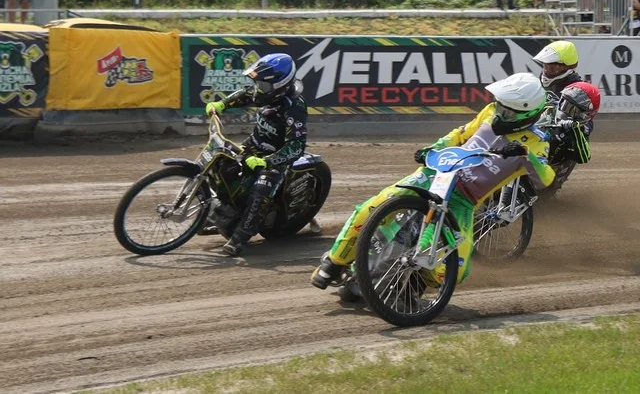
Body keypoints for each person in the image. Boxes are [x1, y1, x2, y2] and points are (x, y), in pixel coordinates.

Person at [310, 73, 596, 291]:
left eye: (506, 109)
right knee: (369, 208)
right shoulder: (490, 112)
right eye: (499, 105)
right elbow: (459, 134)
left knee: (456, 272)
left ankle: (412, 285)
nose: (499, 111)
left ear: (525, 112)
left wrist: (525, 155)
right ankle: (333, 263)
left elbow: (545, 179)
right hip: (435, 174)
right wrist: (432, 148)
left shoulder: (535, 141)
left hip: (463, 200)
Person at [203, 53, 309, 256]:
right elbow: (246, 93)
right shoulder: (266, 92)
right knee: (220, 166)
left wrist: (266, 162)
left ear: (280, 84)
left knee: (261, 190)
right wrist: (221, 104)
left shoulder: (295, 107)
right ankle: (220, 211)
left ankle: (240, 237)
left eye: (264, 85)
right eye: (258, 83)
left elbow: (296, 147)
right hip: (253, 145)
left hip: (276, 157)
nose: (259, 89)